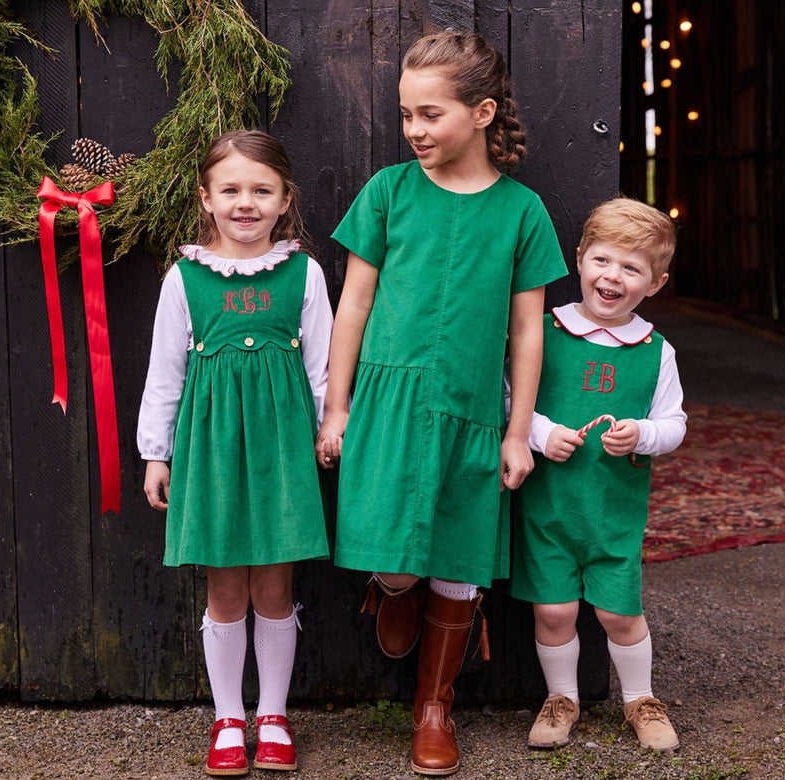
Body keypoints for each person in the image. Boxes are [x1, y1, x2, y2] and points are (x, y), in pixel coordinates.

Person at [315, 29, 567, 776]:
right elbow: (352, 305)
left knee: (460, 551)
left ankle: (435, 707)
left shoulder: (523, 212)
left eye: (430, 114)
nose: (414, 131)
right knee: (389, 542)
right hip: (388, 402)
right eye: (405, 115)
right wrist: (337, 407)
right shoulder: (388, 193)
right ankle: (392, 586)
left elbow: (528, 329)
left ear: (483, 111)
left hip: (471, 408)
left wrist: (518, 431)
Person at [137, 130, 333, 776]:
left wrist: (332, 426)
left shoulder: (303, 273)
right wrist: (156, 453)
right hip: (213, 450)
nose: (245, 203)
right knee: (225, 590)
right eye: (231, 190)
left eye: (261, 190)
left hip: (281, 449)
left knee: (275, 588)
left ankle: (272, 715)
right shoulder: (185, 277)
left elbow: (323, 364)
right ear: (207, 198)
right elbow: (165, 372)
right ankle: (228, 718)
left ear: (284, 200)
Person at [511, 197, 686, 752]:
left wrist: (642, 433)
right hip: (550, 507)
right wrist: (539, 434)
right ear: (581, 258)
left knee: (618, 611)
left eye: (632, 268)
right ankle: (562, 698)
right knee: (555, 609)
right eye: (604, 261)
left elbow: (675, 423)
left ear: (655, 283)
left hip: (614, 510)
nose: (614, 276)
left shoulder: (656, 351)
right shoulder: (543, 331)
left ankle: (641, 699)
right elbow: (507, 396)